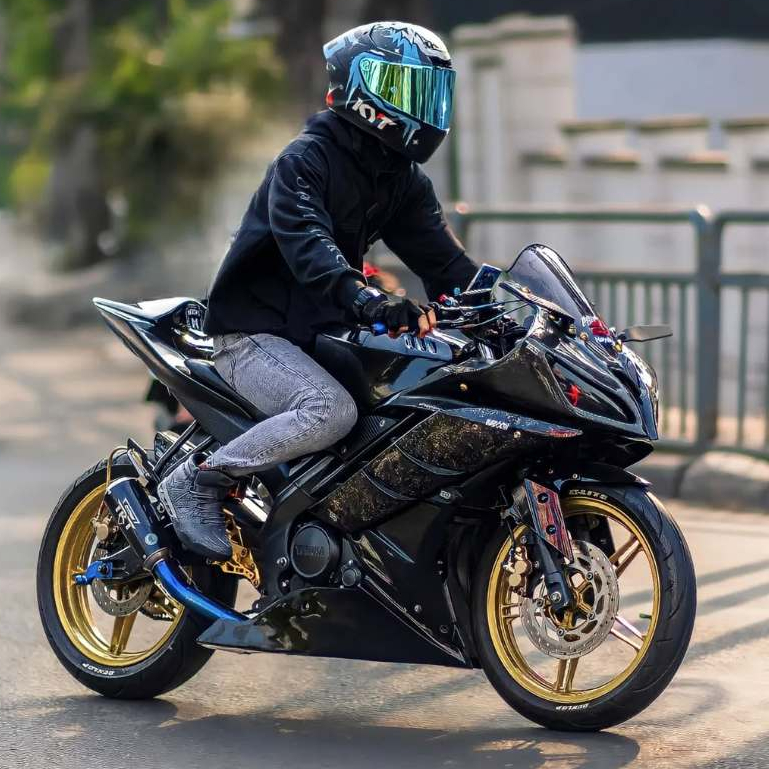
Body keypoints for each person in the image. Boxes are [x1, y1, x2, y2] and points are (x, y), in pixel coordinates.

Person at [158, 21, 478, 560]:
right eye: (404, 88)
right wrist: (369, 299)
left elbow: (448, 265)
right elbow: (310, 246)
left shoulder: (400, 178)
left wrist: (519, 307)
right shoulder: (304, 160)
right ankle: (200, 478)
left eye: (428, 91)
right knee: (328, 411)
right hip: (254, 335)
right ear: (362, 88)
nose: (420, 105)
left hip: (323, 334)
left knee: (410, 403)